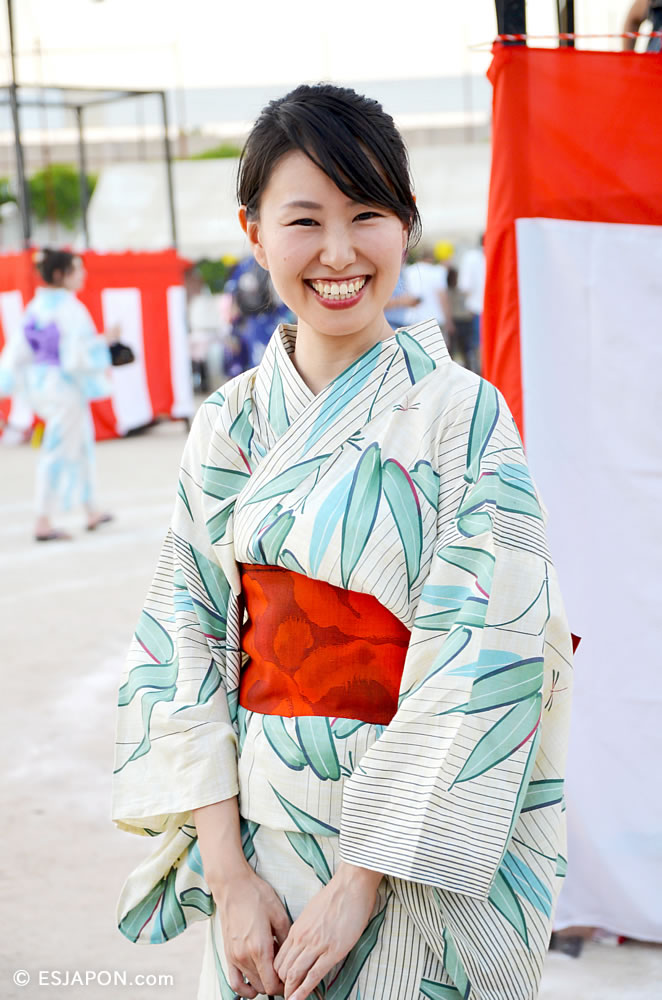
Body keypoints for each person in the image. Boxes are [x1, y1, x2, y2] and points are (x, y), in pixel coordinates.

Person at [112, 84, 572, 1000]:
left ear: (406, 224)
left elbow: (488, 652)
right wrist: (229, 873)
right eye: (303, 220)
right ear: (253, 231)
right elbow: (187, 637)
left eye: (368, 214)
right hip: (263, 835)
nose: (337, 252)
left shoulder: (462, 413)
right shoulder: (228, 422)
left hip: (414, 846)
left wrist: (363, 878)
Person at [0, 249, 115, 541]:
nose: (83, 274)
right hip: (64, 388)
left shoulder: (37, 307)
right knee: (59, 448)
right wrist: (106, 342)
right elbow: (76, 358)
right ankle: (43, 519)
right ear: (60, 275)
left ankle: (90, 508)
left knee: (78, 444)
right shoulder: (70, 309)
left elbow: (16, 352)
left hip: (45, 386)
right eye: (77, 269)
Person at [404, 247, 455, 345]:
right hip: (435, 319)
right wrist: (449, 320)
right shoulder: (438, 271)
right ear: (432, 258)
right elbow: (442, 297)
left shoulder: (409, 271)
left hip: (413, 319)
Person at [458, 233, 486, 372]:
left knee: (480, 344)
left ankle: (484, 374)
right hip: (495, 309)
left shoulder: (471, 257)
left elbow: (464, 286)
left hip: (478, 308)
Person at [446, 265, 479, 374]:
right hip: (458, 321)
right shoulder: (449, 292)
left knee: (467, 348)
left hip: (466, 321)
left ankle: (469, 369)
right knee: (455, 348)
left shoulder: (460, 290)